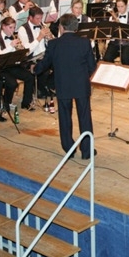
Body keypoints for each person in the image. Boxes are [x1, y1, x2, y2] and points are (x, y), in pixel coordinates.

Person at [33, 14, 97, 159]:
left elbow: (45, 63)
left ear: (61, 27)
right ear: (76, 28)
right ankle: (87, 151)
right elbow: (92, 66)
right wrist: (83, 76)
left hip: (63, 85)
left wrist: (34, 69)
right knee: (85, 118)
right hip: (81, 85)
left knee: (65, 117)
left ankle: (69, 149)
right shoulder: (85, 42)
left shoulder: (54, 44)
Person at [0, 17, 35, 111]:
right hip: (0, 69)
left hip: (12, 66)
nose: (13, 30)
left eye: (14, 27)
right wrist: (11, 46)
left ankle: (26, 103)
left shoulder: (14, 37)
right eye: (10, 27)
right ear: (3, 26)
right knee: (12, 83)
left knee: (30, 77)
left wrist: (21, 51)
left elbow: (17, 56)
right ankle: (6, 102)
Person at [18, 6, 54, 98]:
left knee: (61, 64)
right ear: (30, 17)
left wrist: (50, 38)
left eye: (41, 18)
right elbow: (26, 51)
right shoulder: (23, 29)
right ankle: (40, 89)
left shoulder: (43, 26)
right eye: (37, 18)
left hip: (44, 55)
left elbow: (50, 44)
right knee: (44, 68)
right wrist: (39, 38)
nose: (40, 21)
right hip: (31, 59)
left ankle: (49, 86)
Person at [102, 0, 129, 65]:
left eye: (122, 6)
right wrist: (107, 42)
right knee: (107, 58)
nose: (120, 9)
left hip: (128, 44)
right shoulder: (112, 18)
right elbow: (109, 34)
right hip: (115, 43)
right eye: (118, 7)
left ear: (126, 5)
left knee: (125, 58)